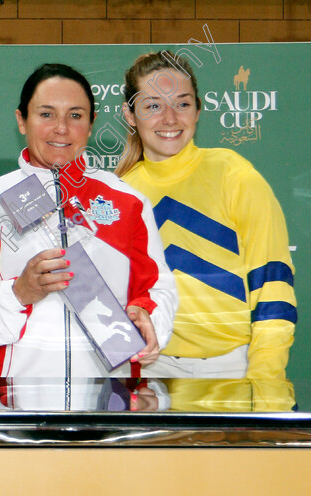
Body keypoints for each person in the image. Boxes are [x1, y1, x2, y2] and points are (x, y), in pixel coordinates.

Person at [0, 63, 177, 378]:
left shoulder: (128, 201)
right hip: (18, 404)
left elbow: (158, 288)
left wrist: (149, 317)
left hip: (111, 403)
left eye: (75, 115)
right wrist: (20, 294)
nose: (61, 128)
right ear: (21, 120)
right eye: (46, 114)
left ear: (92, 123)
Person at [116, 52, 296, 379]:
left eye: (182, 104)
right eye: (153, 105)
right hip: (149, 370)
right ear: (130, 114)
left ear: (198, 110)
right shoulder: (120, 194)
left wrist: (266, 380)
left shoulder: (234, 175)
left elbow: (273, 286)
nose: (170, 118)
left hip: (233, 367)